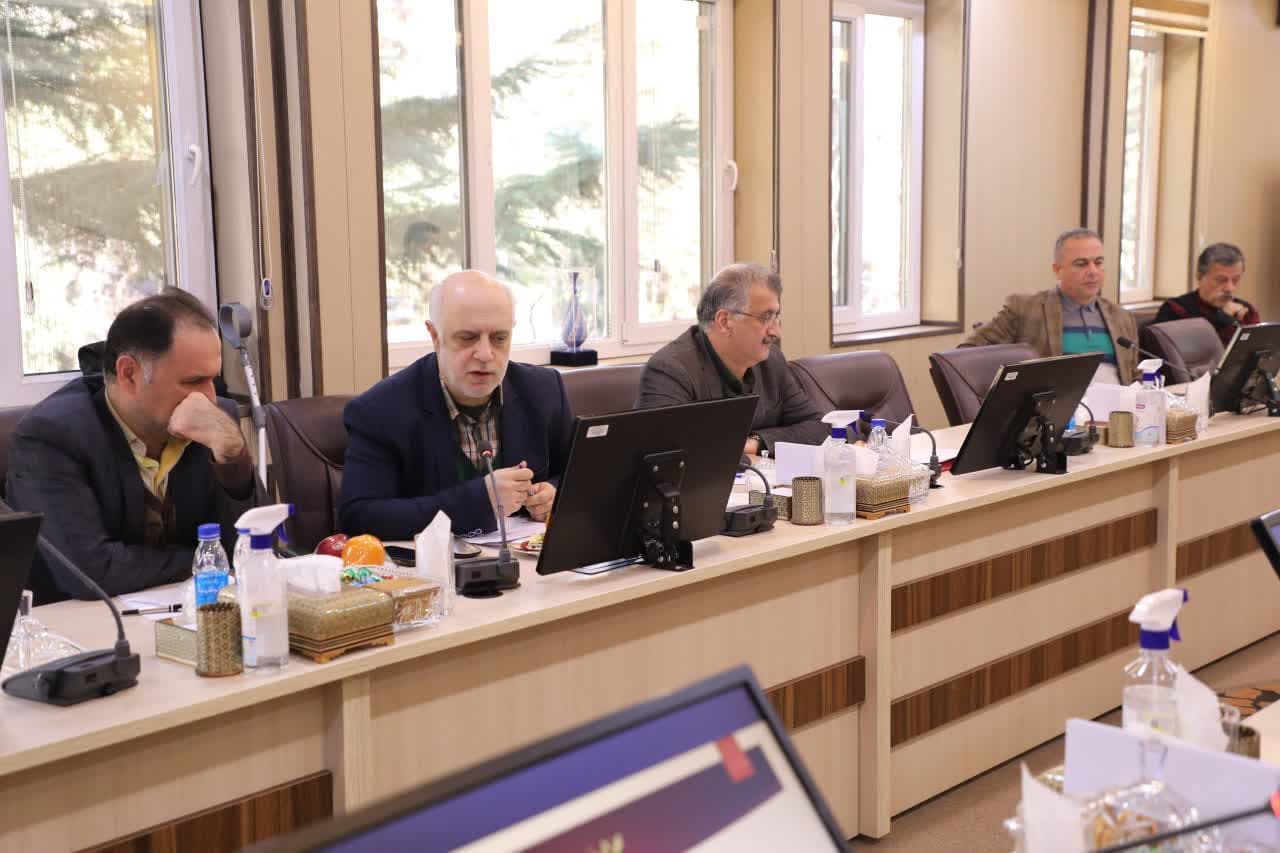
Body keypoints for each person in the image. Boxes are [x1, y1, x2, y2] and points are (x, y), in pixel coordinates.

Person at [6, 289, 257, 603]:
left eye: (213, 380)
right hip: (78, 622)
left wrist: (233, 456)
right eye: (193, 381)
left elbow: (257, 545)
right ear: (129, 374)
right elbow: (92, 572)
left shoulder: (213, 423)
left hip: (191, 613)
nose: (209, 398)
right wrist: (200, 558)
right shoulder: (52, 436)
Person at [339, 270, 574, 540]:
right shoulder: (380, 411)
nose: (485, 354)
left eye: (499, 338)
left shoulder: (544, 391)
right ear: (435, 336)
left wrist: (553, 494)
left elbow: (576, 476)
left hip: (528, 563)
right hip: (433, 565)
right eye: (467, 337)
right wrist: (479, 500)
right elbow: (358, 517)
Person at [636, 262, 827, 453]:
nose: (776, 331)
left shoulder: (771, 361)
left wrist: (757, 442)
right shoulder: (670, 371)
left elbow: (819, 427)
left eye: (776, 316)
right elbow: (664, 455)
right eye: (765, 317)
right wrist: (740, 454)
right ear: (725, 322)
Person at [962, 228, 1138, 384]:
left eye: (1098, 262)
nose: (1093, 271)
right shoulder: (1025, 309)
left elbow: (1133, 375)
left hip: (1118, 408)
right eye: (1081, 264)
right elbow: (966, 355)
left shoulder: (1122, 317)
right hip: (1059, 407)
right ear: (1057, 270)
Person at [1155, 242, 1259, 346]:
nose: (1229, 288)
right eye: (1220, 280)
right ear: (1199, 277)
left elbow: (1258, 351)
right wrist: (1226, 321)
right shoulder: (1175, 310)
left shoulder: (1246, 311)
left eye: (1235, 280)